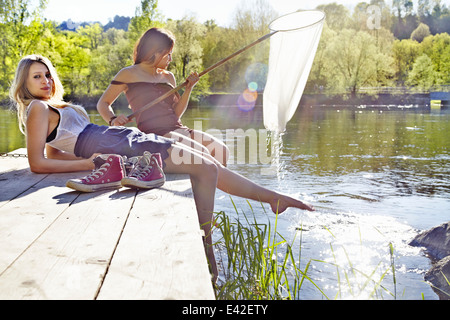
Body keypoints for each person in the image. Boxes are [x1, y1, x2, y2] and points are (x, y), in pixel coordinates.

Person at [10, 54, 314, 282]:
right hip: (115, 144)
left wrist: (86, 158)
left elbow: (55, 151)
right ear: (24, 83)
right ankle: (209, 244)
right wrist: (91, 162)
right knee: (205, 168)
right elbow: (37, 161)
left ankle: (268, 201)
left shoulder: (57, 106)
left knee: (205, 164)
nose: (46, 81)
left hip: (117, 137)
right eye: (37, 77)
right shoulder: (37, 108)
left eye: (47, 75)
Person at [97, 27, 230, 166]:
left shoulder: (168, 76)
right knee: (203, 153)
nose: (171, 59)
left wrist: (188, 89)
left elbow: (176, 114)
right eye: (168, 54)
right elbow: (103, 103)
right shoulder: (128, 74)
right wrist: (113, 120)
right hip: (155, 134)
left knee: (222, 151)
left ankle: (209, 184)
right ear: (155, 52)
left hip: (178, 128)